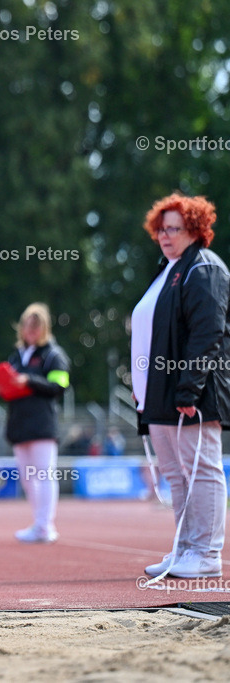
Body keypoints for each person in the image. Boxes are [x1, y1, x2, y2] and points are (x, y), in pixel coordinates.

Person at [132, 193, 230, 579]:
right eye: (161, 228)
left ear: (196, 229)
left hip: (192, 393)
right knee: (176, 475)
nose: (165, 235)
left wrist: (189, 389)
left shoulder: (204, 268)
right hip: (158, 393)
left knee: (200, 469)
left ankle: (205, 553)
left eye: (174, 228)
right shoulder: (169, 270)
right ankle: (184, 547)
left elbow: (208, 334)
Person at [0, 303, 70, 544]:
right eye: (27, 325)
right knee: (27, 478)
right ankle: (38, 522)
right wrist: (1, 385)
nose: (31, 330)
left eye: (36, 325)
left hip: (42, 427)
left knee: (45, 475)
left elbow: (59, 386)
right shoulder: (17, 355)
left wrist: (28, 381)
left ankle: (45, 525)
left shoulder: (54, 355)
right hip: (19, 425)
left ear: (44, 328)